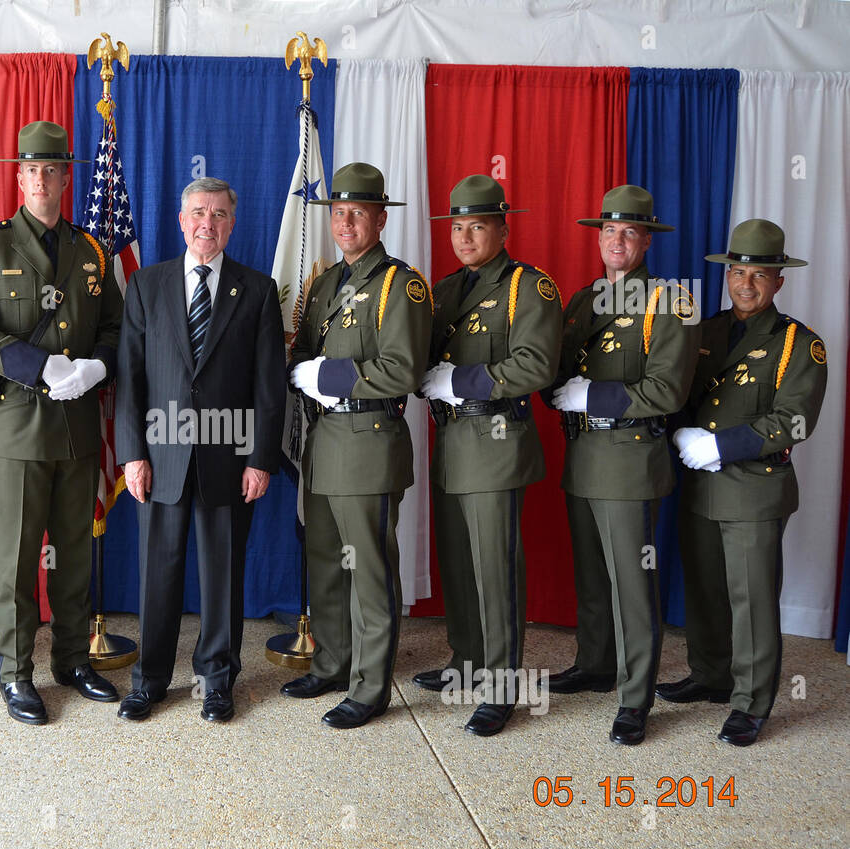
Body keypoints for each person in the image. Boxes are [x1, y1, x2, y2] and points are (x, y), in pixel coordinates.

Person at [0, 121, 123, 726]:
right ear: (18, 177)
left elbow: (115, 327)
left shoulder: (91, 249)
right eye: (31, 170)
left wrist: (98, 364)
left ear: (68, 177)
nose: (42, 179)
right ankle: (16, 671)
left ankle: (72, 659)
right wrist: (38, 363)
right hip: (19, 424)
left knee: (74, 553)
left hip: (76, 427)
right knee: (20, 558)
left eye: (53, 169)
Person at [114, 178, 284, 722]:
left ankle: (217, 678)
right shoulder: (147, 285)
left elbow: (268, 384)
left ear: (232, 223)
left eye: (217, 214)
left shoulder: (257, 290)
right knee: (157, 571)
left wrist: (260, 458)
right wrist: (131, 453)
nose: (206, 223)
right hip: (160, 454)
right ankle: (150, 681)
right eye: (196, 213)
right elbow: (130, 377)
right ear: (180, 220)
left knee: (222, 573)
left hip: (229, 457)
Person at [659, 219, 826, 746]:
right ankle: (710, 676)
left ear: (779, 281)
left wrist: (719, 445)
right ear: (727, 274)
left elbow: (796, 421)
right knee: (705, 589)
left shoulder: (800, 344)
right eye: (737, 271)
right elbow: (678, 395)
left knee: (750, 598)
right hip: (702, 487)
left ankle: (752, 702)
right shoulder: (705, 333)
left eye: (759, 274)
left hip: (754, 488)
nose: (746, 283)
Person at [545, 185, 699, 745]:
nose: (617, 240)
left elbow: (667, 388)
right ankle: (595, 664)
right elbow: (557, 370)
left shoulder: (673, 301)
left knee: (632, 584)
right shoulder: (585, 301)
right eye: (608, 230)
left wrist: (595, 397)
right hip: (583, 455)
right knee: (592, 574)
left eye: (629, 232)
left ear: (647, 241)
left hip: (631, 458)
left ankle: (636, 699)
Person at [282, 162, 430, 729]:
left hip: (368, 441)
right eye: (338, 213)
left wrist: (328, 376)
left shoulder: (400, 284)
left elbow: (403, 369)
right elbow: (304, 354)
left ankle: (370, 687)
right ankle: (333, 661)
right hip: (322, 441)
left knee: (368, 568)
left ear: (380, 218)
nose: (345, 223)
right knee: (325, 559)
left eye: (358, 214)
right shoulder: (325, 282)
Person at [416, 174, 561, 737]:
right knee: (457, 559)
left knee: (495, 567)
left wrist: (464, 382)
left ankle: (502, 686)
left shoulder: (531, 287)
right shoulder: (446, 290)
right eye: (457, 226)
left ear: (503, 228)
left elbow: (535, 365)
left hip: (495, 441)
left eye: (477, 226)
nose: (464, 236)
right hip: (451, 441)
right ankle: (468, 659)